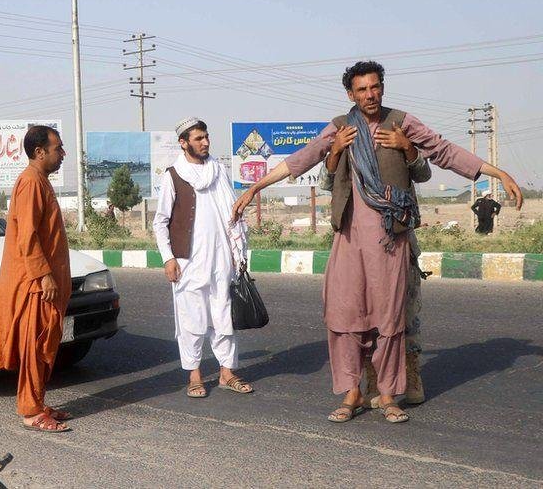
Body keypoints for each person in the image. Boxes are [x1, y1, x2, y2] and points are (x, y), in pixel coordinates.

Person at [232, 60, 523, 424]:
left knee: (389, 318)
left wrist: (496, 172)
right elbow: (300, 160)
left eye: (375, 87)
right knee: (345, 314)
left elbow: (443, 152)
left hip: (390, 238)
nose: (370, 95)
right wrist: (256, 187)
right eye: (362, 89)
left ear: (382, 88)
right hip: (349, 237)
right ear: (350, 94)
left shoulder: (401, 123)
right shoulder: (341, 127)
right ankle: (352, 392)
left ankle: (387, 395)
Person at [318, 127, 429, 407]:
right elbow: (326, 182)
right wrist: (336, 151)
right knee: (363, 315)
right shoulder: (348, 139)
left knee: (405, 315)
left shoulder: (394, 135)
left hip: (396, 241)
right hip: (356, 243)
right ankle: (372, 376)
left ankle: (411, 373)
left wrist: (407, 147)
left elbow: (423, 173)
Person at [153, 117, 252, 399]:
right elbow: (160, 222)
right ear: (183, 143)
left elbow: (233, 212)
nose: (206, 142)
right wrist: (168, 258)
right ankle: (194, 375)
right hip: (188, 262)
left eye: (206, 137)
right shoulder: (174, 176)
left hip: (221, 258)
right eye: (198, 138)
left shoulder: (218, 170)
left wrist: (237, 253)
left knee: (223, 316)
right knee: (191, 320)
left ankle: (227, 372)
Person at [0, 125, 72, 433]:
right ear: (40, 152)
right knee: (35, 347)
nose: (62, 154)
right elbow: (28, 237)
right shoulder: (30, 182)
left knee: (44, 344)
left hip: (45, 281)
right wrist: (44, 275)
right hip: (35, 284)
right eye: (58, 148)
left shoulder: (40, 181)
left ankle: (38, 402)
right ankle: (31, 411)